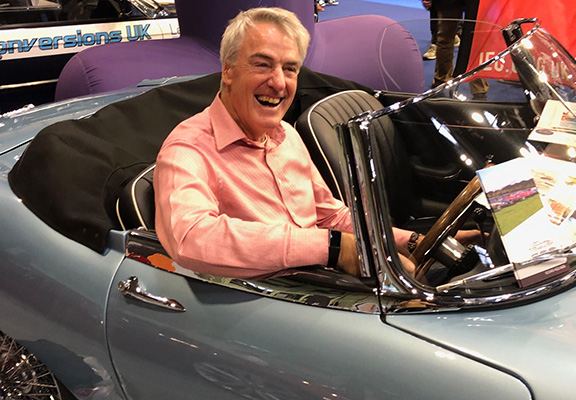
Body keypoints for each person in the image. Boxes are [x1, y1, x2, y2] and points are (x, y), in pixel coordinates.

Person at [154, 7, 475, 280]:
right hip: (267, 305)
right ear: (228, 70)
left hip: (321, 282)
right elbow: (191, 240)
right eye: (262, 64)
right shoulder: (187, 148)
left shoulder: (286, 135)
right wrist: (334, 249)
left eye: (290, 68)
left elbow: (330, 216)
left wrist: (412, 241)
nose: (278, 83)